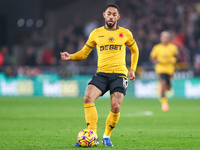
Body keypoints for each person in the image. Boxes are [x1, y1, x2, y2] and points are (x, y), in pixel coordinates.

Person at [60, 3, 139, 147]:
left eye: (114, 14)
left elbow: (135, 50)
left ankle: (106, 136)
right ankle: (93, 136)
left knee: (115, 107)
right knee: (88, 97)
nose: (111, 16)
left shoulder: (125, 33)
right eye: (109, 13)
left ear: (118, 17)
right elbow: (84, 53)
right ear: (104, 15)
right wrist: (70, 56)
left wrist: (132, 69)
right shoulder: (96, 33)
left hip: (119, 75)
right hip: (101, 74)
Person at [150, 31, 178, 112]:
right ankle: (164, 103)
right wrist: (155, 61)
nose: (164, 39)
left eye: (166, 38)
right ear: (161, 39)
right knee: (163, 83)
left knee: (168, 88)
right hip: (160, 69)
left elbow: (177, 56)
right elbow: (152, 57)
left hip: (169, 69)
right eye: (163, 37)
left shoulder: (173, 47)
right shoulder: (157, 47)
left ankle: (163, 95)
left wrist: (174, 60)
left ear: (169, 39)